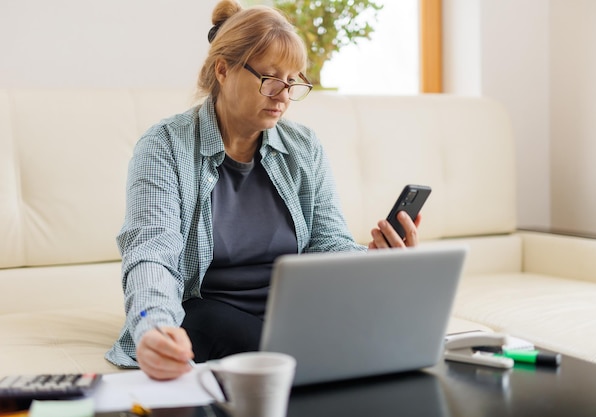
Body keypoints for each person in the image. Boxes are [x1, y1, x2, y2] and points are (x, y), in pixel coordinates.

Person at [106, 0, 422, 380]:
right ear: (223, 70)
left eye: (293, 81)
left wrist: (370, 262)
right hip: (207, 314)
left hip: (293, 317)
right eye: (270, 78)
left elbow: (328, 243)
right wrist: (153, 326)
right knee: (231, 330)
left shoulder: (303, 147)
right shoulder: (164, 146)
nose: (284, 94)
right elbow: (151, 254)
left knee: (388, 337)